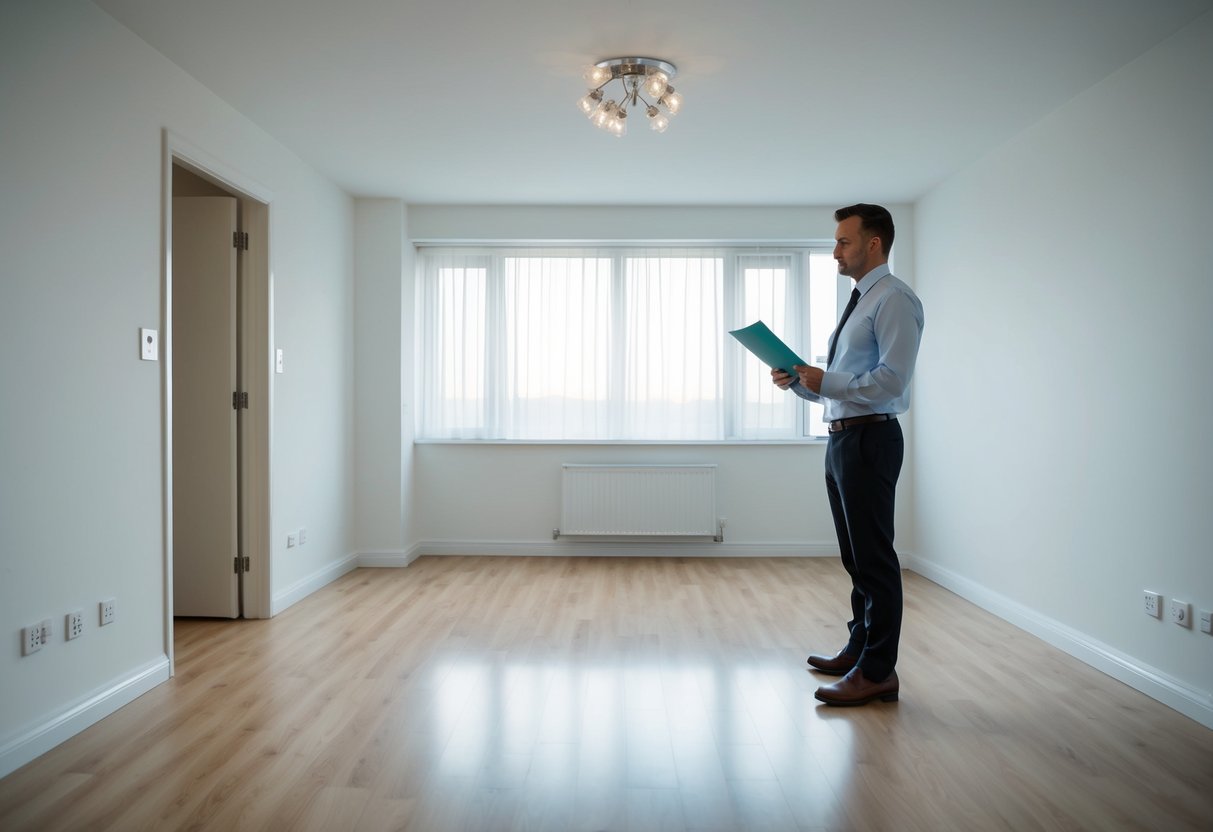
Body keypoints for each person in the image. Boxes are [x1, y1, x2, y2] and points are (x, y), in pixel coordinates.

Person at [772, 203, 924, 706]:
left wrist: (827, 378)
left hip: (871, 439)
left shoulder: (894, 299)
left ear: (873, 243)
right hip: (842, 438)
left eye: (843, 241)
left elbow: (891, 381)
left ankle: (879, 670)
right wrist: (802, 384)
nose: (835, 250)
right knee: (854, 557)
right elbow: (844, 389)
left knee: (875, 559)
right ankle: (860, 649)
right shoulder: (861, 301)